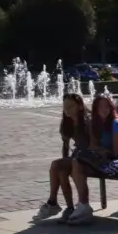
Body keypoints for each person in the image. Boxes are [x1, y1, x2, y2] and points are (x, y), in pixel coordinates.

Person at [62, 94, 118, 225]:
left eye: (106, 107)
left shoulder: (115, 123)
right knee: (76, 163)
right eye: (100, 107)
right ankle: (82, 205)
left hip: (117, 160)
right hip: (103, 157)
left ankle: (83, 205)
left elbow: (116, 152)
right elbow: (94, 145)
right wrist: (96, 151)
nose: (103, 110)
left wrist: (99, 152)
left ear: (111, 107)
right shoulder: (97, 123)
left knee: (77, 162)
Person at [37, 93, 91, 222]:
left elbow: (93, 144)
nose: (67, 110)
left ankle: (53, 202)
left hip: (89, 156)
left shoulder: (88, 120)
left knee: (57, 165)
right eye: (65, 107)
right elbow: (65, 146)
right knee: (60, 170)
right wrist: (66, 162)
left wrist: (68, 162)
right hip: (77, 156)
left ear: (79, 106)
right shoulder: (66, 123)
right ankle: (69, 207)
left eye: (71, 106)